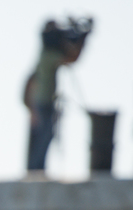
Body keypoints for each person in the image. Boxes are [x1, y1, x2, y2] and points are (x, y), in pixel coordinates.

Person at [24, 19, 88, 175]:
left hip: (44, 103)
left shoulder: (44, 54)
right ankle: (36, 170)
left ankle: (37, 169)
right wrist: (82, 40)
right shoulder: (48, 55)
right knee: (43, 137)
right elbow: (72, 58)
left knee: (45, 137)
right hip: (43, 104)